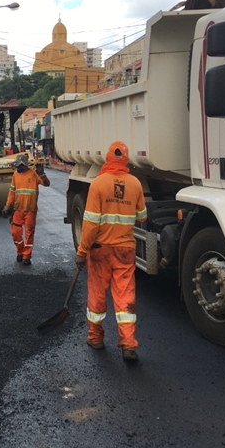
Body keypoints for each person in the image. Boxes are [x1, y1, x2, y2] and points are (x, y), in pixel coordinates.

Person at [74, 141, 147, 363]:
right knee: (126, 297)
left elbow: (90, 223)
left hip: (100, 250)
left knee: (97, 293)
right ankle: (128, 345)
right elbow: (142, 216)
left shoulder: (98, 184)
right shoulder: (135, 183)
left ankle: (95, 338)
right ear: (125, 159)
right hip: (125, 249)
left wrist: (81, 250)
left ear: (107, 158)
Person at [2, 154, 50, 266]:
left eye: (20, 166)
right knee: (15, 233)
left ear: (25, 165)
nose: (18, 168)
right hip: (18, 210)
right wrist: (7, 206)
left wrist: (42, 174)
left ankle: (26, 256)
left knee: (29, 234)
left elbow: (46, 184)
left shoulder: (33, 174)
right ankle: (20, 251)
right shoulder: (15, 175)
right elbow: (12, 192)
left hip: (30, 210)